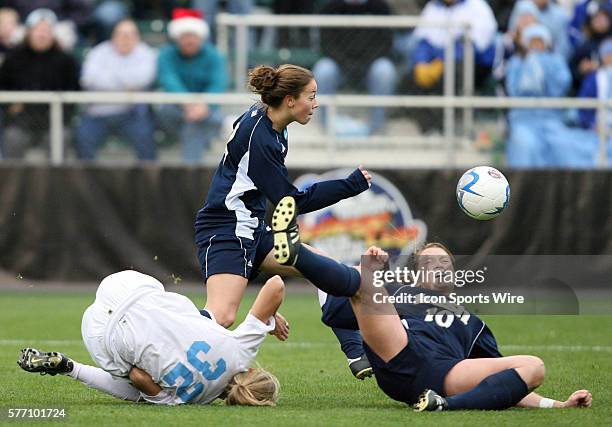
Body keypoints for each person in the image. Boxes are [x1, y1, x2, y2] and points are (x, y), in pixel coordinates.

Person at [269, 197, 594, 411]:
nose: (438, 267)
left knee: (533, 365)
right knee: (361, 277)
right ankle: (286, 253)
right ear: (417, 274)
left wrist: (559, 405)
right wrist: (355, 341)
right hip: (398, 352)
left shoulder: (474, 324)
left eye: (444, 263)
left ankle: (443, 405)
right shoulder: (400, 290)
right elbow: (333, 312)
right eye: (429, 263)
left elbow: (505, 382)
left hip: (444, 375)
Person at [195, 63, 372, 329]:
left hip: (252, 227)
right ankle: (153, 328)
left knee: (329, 271)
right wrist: (349, 185)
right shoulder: (262, 140)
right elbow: (292, 202)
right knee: (221, 316)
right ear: (289, 100)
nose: (316, 103)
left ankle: (355, 351)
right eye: (311, 96)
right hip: (228, 227)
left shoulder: (269, 119)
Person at [18, 270, 289, 406]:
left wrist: (268, 320)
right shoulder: (189, 401)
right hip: (101, 334)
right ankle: (70, 367)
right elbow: (139, 377)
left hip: (129, 287)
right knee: (132, 383)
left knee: (202, 319)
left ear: (252, 370)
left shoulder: (242, 352)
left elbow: (275, 284)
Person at [505, 23, 595, 167]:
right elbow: (513, 89)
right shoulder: (517, 62)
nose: (536, 45)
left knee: (563, 146)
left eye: (539, 41)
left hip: (551, 118)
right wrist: (530, 66)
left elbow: (562, 84)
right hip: (523, 118)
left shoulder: (556, 61)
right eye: (532, 41)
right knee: (525, 144)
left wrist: (543, 67)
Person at [406, 0, 497, 133]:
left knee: (451, 74)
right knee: (410, 78)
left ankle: (448, 129)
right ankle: (428, 129)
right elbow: (423, 41)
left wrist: (441, 61)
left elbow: (472, 46)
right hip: (438, 63)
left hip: (474, 66)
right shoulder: (433, 7)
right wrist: (422, 62)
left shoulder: (477, 5)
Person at [0, 8, 79, 160]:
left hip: (55, 120)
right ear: (29, 32)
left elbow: (74, 93)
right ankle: (14, 183)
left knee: (60, 138)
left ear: (53, 33)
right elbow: (3, 88)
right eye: (38, 30)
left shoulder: (66, 61)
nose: (42, 34)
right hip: (20, 121)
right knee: (13, 138)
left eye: (46, 30)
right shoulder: (13, 59)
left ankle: (56, 182)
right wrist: (11, 106)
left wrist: (61, 114)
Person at [76, 19, 157, 160]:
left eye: (130, 34)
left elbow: (143, 79)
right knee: (82, 137)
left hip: (132, 113)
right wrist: (127, 84)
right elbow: (89, 79)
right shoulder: (99, 52)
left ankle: (146, 181)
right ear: (113, 36)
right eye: (122, 34)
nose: (126, 38)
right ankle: (88, 182)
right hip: (98, 113)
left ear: (137, 37)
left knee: (146, 137)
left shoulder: (146, 53)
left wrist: (109, 77)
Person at [312, 0, 397, 135]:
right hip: (340, 67)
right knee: (324, 69)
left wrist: (363, 64)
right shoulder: (331, 7)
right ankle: (326, 129)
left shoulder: (380, 7)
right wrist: (347, 64)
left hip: (370, 66)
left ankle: (376, 128)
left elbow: (386, 44)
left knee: (384, 70)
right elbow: (327, 45)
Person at [156, 8, 228, 163]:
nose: (189, 41)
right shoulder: (166, 54)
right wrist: (188, 103)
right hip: (175, 109)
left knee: (197, 124)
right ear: (177, 38)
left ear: (200, 37)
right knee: (191, 120)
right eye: (185, 36)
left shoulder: (214, 55)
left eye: (193, 36)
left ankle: (190, 169)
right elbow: (168, 80)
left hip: (206, 110)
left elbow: (218, 83)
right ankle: (194, 165)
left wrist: (204, 106)